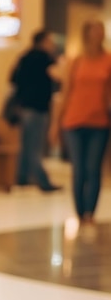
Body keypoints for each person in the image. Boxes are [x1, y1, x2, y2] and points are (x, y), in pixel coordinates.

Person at [51, 19, 111, 225]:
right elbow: (65, 93)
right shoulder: (76, 61)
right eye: (95, 30)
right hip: (74, 121)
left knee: (94, 168)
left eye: (101, 31)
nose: (98, 34)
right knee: (79, 168)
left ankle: (90, 213)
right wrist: (55, 124)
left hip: (99, 122)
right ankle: (79, 212)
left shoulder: (108, 60)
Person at [10, 29, 61, 192]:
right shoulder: (45, 59)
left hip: (25, 107)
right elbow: (58, 76)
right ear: (43, 41)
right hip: (38, 107)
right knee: (35, 147)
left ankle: (22, 178)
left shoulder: (24, 57)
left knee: (26, 145)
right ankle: (43, 181)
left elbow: (13, 79)